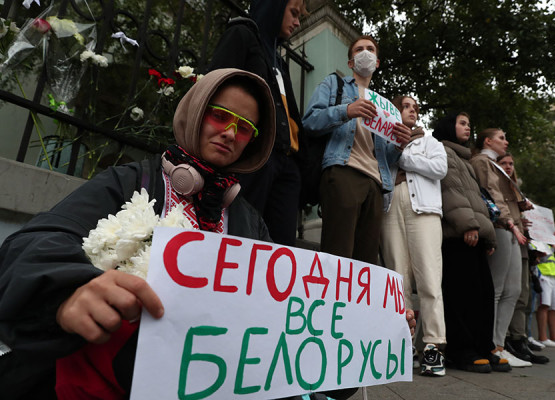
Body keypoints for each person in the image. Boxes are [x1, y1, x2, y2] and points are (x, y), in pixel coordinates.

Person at [0, 68, 278, 398]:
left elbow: (278, 309)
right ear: (194, 112)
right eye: (220, 116)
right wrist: (70, 288)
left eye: (244, 128)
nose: (230, 133)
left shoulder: (250, 221)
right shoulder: (131, 181)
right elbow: (29, 245)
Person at [302, 35, 411, 265]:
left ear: (377, 62)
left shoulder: (385, 107)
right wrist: (346, 110)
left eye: (370, 49)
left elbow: (383, 155)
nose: (365, 53)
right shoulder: (334, 84)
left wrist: (399, 145)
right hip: (344, 171)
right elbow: (310, 121)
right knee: (338, 252)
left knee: (366, 261)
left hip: (376, 183)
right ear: (350, 62)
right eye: (359, 49)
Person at [208, 0, 308, 246]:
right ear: (274, 7)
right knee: (243, 235)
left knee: (281, 246)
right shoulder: (242, 35)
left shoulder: (280, 63)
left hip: (285, 163)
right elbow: (214, 88)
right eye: (293, 13)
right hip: (254, 157)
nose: (297, 22)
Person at [432, 113, 507, 373]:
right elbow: (450, 190)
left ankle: (483, 347)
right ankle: (462, 351)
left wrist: (488, 234)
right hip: (458, 233)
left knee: (484, 293)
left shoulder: (464, 157)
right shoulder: (442, 150)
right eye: (462, 123)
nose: (467, 127)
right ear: (447, 127)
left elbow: (476, 198)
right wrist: (468, 224)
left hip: (474, 232)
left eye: (469, 123)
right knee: (462, 295)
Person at [380, 96, 447, 376]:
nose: (412, 110)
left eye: (416, 108)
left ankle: (432, 346)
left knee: (430, 279)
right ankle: (403, 345)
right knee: (397, 279)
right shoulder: (383, 141)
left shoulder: (430, 142)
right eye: (406, 106)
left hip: (425, 211)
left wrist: (403, 155)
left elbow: (439, 168)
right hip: (391, 208)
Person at [470, 128, 532, 368]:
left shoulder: (494, 163)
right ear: (487, 141)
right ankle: (491, 345)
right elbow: (491, 195)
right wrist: (508, 220)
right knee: (496, 289)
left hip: (511, 226)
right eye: (501, 138)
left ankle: (499, 344)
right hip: (501, 225)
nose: (506, 142)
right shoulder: (482, 162)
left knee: (513, 289)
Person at [497, 153, 549, 364]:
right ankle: (507, 340)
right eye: (503, 163)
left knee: (522, 295)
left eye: (511, 163)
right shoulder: (498, 188)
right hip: (508, 240)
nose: (508, 166)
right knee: (509, 293)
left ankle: (519, 338)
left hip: (523, 246)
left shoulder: (516, 191)